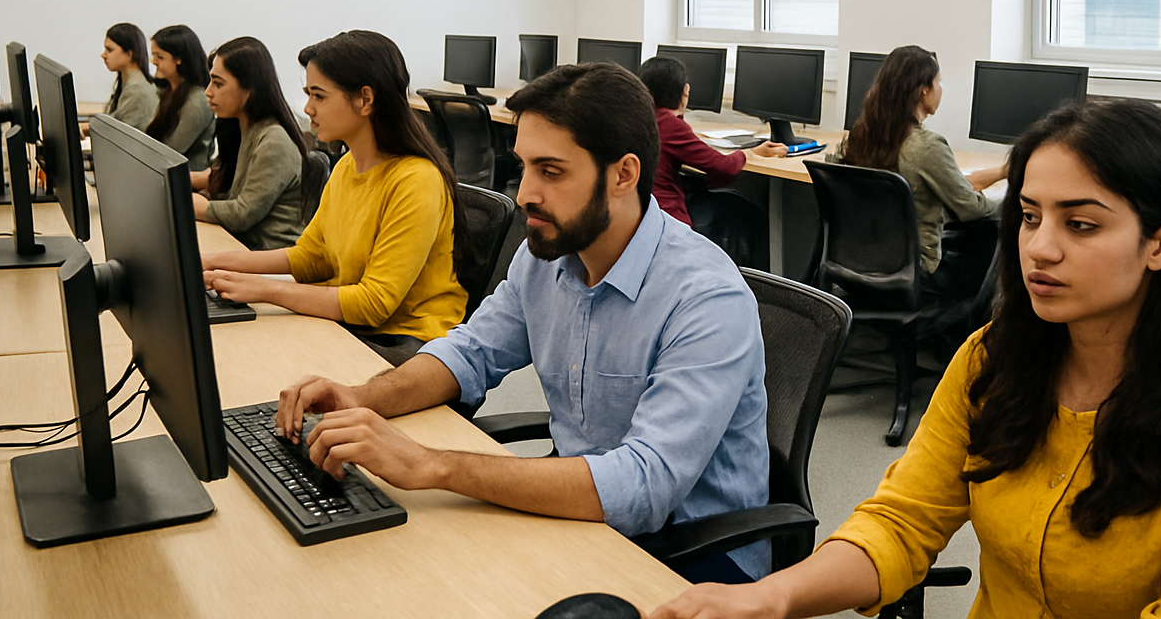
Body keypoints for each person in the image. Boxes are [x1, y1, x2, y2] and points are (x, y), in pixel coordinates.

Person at [652, 98, 1161, 619]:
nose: (1040, 248)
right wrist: (773, 597)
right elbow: (902, 522)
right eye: (1027, 216)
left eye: (1080, 224)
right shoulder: (995, 359)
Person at [274, 62, 771, 584]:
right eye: (525, 167)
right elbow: (471, 352)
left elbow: (644, 487)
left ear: (623, 175)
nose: (524, 193)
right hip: (587, 517)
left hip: (694, 556)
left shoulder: (705, 296)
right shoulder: (549, 255)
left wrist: (434, 464)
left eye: (551, 171)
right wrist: (362, 397)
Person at [202, 30, 468, 366]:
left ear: (365, 100)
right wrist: (215, 262)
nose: (308, 108)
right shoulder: (346, 166)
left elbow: (374, 304)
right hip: (354, 325)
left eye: (319, 96)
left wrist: (263, 290)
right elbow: (312, 257)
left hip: (406, 347)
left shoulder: (416, 180)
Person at [830, 45, 1007, 355]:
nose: (941, 89)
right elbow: (971, 209)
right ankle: (965, 348)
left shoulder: (860, 134)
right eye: (938, 83)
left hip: (861, 264)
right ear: (923, 91)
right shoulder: (927, 147)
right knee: (992, 233)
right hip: (921, 272)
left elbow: (945, 187)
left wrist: (1001, 171)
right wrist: (1011, 200)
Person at [191, 36, 311, 251]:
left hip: (270, 256)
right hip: (244, 246)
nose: (208, 92)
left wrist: (196, 206)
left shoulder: (274, 140)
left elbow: (242, 214)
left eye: (218, 83)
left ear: (249, 89)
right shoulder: (242, 129)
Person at [638, 55, 785, 226]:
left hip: (639, 213)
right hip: (667, 218)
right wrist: (751, 153)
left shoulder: (639, 117)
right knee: (749, 214)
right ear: (685, 91)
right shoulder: (669, 125)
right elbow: (725, 168)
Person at [145, 24, 217, 170]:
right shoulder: (168, 91)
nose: (153, 61)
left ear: (179, 59)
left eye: (160, 56)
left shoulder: (198, 100)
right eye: (153, 55)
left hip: (187, 181)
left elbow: (172, 152)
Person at [81, 22, 153, 136]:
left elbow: (119, 134)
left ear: (130, 54)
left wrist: (88, 128)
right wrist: (86, 127)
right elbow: (116, 118)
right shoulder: (130, 84)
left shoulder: (137, 89)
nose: (103, 55)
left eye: (109, 50)